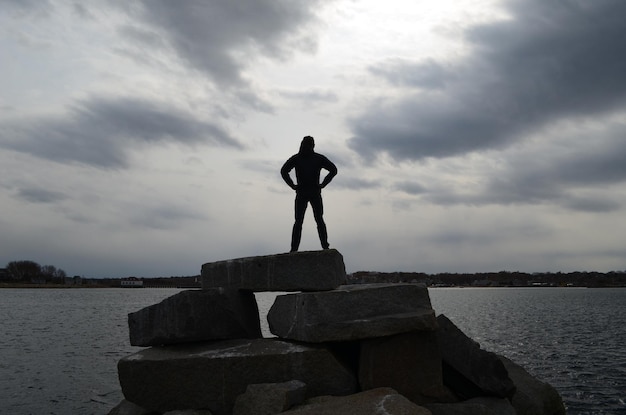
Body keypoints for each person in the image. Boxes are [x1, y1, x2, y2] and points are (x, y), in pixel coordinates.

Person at [281, 136, 337, 252]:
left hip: (313, 192)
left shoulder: (317, 158)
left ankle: (325, 246)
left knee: (318, 219)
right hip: (302, 192)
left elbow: (333, 170)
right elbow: (284, 171)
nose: (306, 147)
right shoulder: (298, 158)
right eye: (305, 144)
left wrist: (323, 184)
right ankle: (294, 249)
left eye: (309, 145)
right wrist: (292, 185)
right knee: (300, 221)